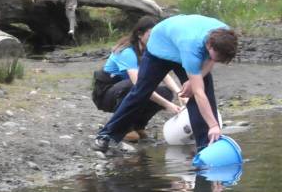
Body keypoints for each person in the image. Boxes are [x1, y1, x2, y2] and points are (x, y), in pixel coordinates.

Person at [94, 14, 238, 153]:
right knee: (140, 93)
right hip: (159, 49)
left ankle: (206, 146)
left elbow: (211, 59)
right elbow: (199, 92)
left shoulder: (225, 35)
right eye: (215, 56)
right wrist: (213, 124)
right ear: (209, 45)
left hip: (180, 43)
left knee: (201, 91)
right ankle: (106, 135)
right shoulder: (191, 47)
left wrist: (195, 78)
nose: (215, 60)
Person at [92, 16, 183, 142]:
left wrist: (179, 92)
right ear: (140, 35)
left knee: (166, 92)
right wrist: (167, 105)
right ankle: (125, 128)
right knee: (135, 87)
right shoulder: (127, 52)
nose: (154, 39)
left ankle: (139, 125)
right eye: (151, 35)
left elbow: (164, 74)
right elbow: (139, 86)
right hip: (105, 94)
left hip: (126, 89)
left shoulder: (151, 50)